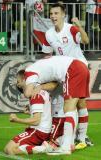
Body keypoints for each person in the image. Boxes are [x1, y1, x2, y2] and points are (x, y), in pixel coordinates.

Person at [41, 3, 93, 149]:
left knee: (76, 103)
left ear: (64, 15)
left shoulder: (70, 28)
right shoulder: (49, 33)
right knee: (76, 103)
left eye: (56, 13)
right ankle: (79, 136)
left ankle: (80, 137)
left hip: (78, 67)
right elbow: (47, 54)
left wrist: (79, 25)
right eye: (51, 14)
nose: (53, 16)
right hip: (62, 71)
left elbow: (86, 41)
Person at [21, 55, 90, 155]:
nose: (20, 85)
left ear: (24, 78)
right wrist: (41, 87)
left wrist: (29, 87)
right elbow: (53, 85)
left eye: (19, 82)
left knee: (69, 107)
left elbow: (28, 93)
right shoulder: (40, 67)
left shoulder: (29, 72)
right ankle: (77, 141)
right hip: (80, 66)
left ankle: (66, 147)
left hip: (72, 69)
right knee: (79, 104)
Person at [4, 70, 52, 155]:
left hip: (38, 131)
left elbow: (36, 120)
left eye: (18, 81)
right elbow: (44, 113)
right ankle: (42, 147)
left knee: (9, 149)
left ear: (24, 79)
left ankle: (43, 148)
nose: (17, 84)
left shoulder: (35, 95)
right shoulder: (41, 91)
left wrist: (17, 120)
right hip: (43, 131)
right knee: (12, 148)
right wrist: (30, 112)